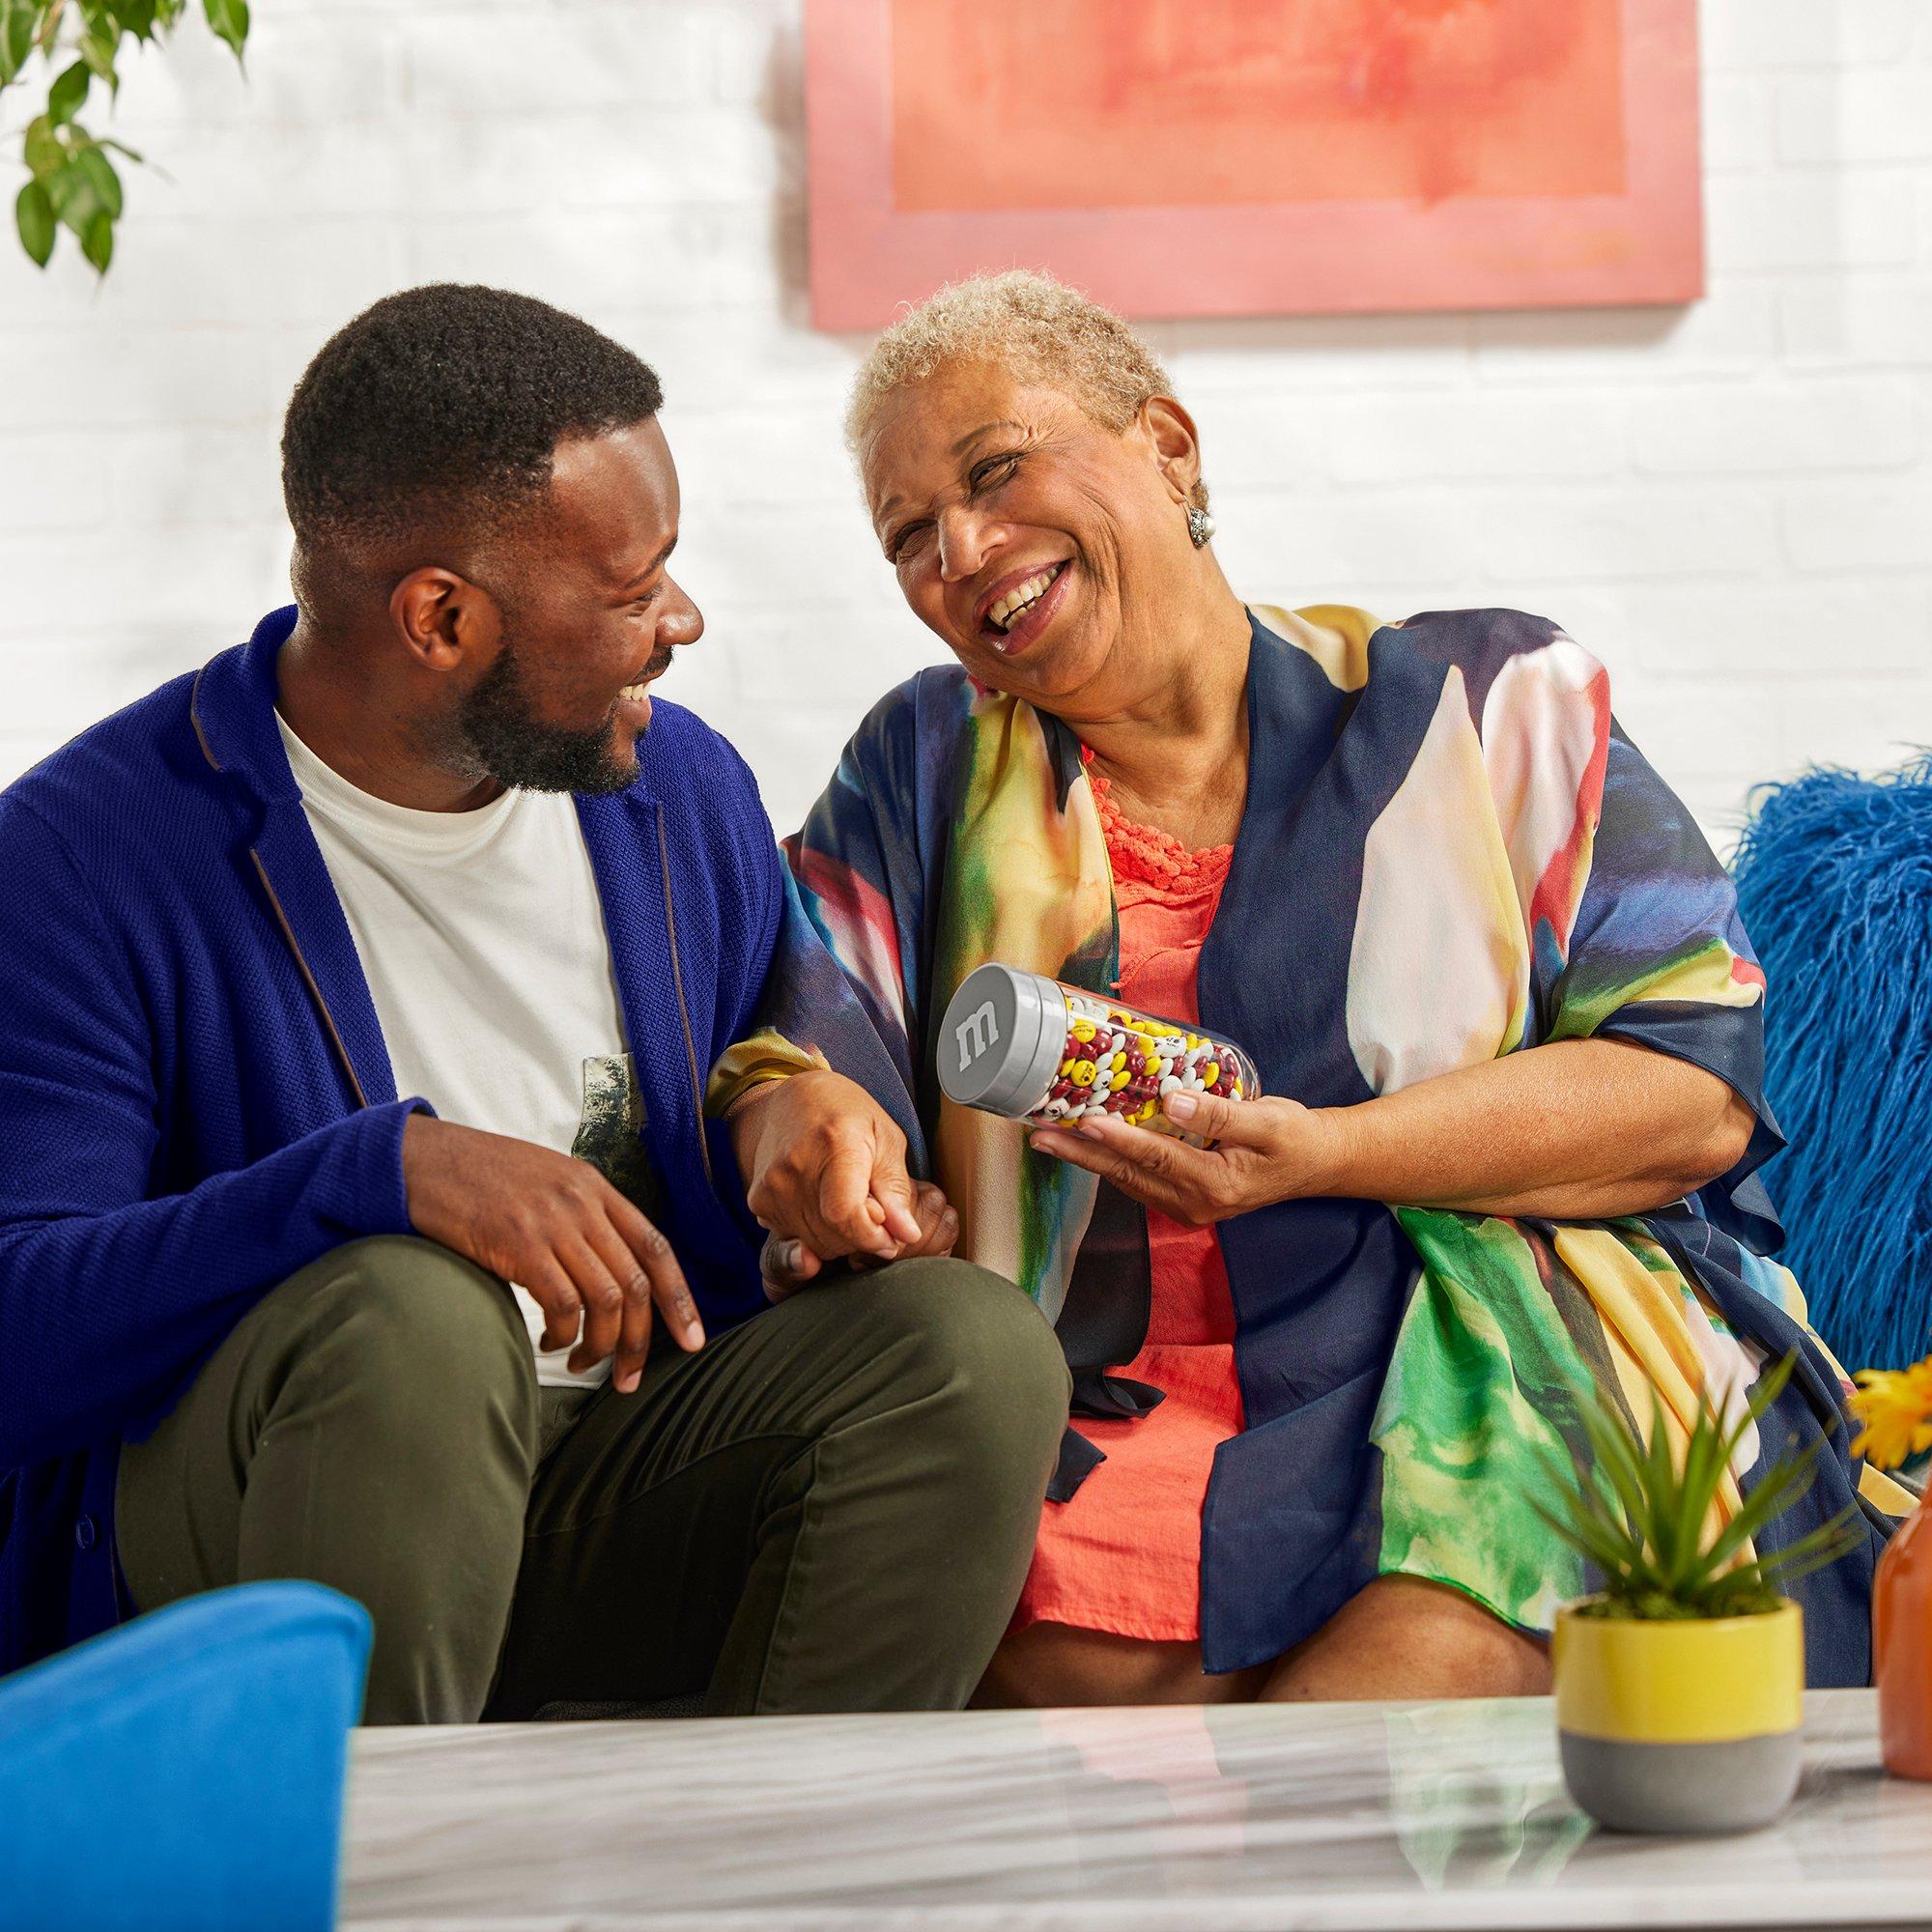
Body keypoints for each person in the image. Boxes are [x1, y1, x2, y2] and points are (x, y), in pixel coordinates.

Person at [727, 269, 1912, 1705]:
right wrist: (815, 1140)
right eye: (909, 538)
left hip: (1499, 1348)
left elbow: (1688, 1097)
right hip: (1112, 1390)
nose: (962, 550)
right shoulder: (923, 766)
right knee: (1063, 1698)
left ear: (1167, 447)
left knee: (1396, 1692)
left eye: (995, 472)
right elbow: (806, 1048)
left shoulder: (1490, 704)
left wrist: (1331, 1154)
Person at [0, 284, 1068, 1721]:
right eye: (633, 592)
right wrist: (376, 1177)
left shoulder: (675, 790)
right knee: (415, 1317)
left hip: (617, 1475)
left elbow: (769, 1059)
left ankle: (787, 1880)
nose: (681, 620)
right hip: (277, 1525)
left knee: (969, 1352)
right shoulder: (86, 859)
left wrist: (799, 1139)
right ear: (440, 618)